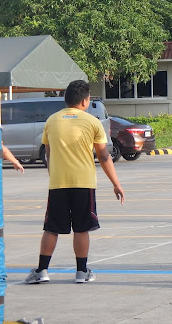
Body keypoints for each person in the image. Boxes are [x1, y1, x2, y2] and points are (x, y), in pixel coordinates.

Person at [25, 80, 125, 285]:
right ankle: (81, 272)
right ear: (85, 101)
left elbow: (48, 154)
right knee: (81, 228)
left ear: (66, 99)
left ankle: (42, 271)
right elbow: (104, 156)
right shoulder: (92, 122)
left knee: (51, 228)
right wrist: (116, 183)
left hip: (58, 184)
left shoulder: (52, 121)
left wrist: (54, 174)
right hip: (84, 183)